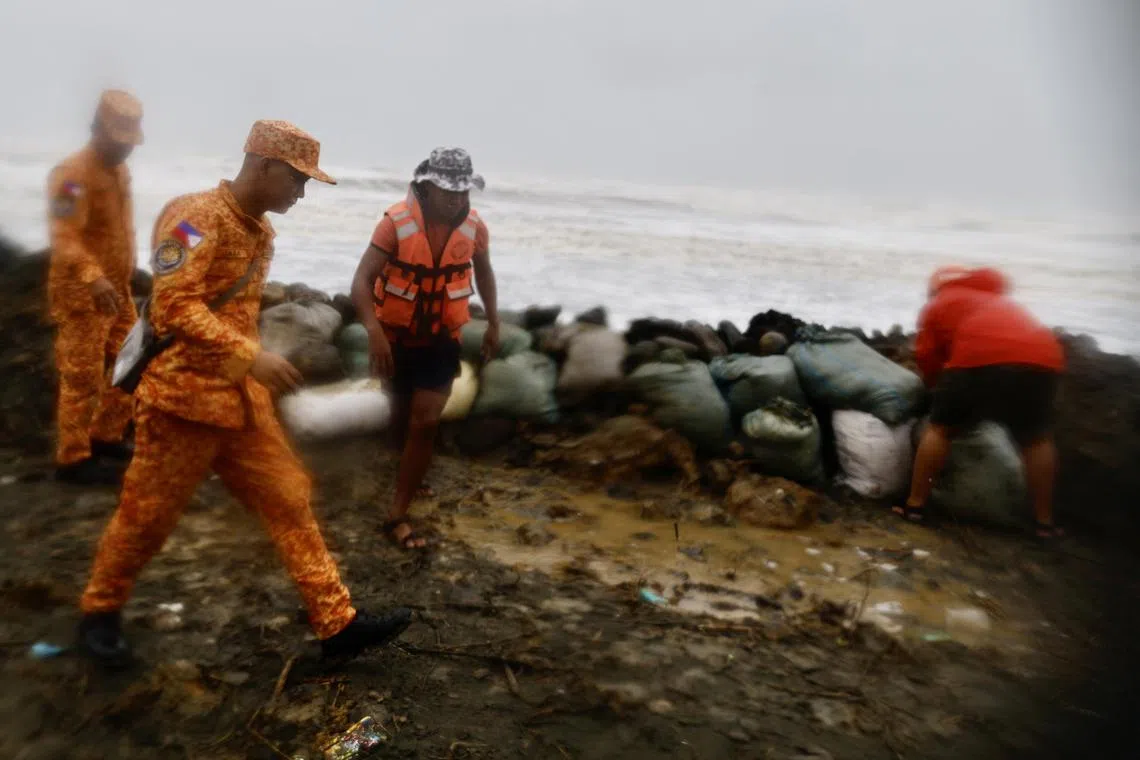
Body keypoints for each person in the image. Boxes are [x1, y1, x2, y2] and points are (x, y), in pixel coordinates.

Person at [78, 120, 411, 666]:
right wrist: (250, 356)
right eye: (297, 180)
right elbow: (171, 306)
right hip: (181, 403)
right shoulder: (192, 219)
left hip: (242, 406)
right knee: (147, 516)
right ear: (263, 166)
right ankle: (99, 613)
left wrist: (249, 367)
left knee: (289, 499)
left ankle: (337, 623)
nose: (301, 193)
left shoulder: (260, 232)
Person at [350, 148, 500, 550]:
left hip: (441, 341)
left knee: (426, 422)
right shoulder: (394, 224)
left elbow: (483, 273)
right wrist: (374, 333)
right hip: (395, 339)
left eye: (463, 192)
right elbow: (361, 282)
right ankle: (406, 467)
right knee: (400, 413)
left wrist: (494, 322)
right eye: (448, 191)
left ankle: (397, 513)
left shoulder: (474, 227)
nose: (456, 200)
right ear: (426, 188)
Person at [895, 266, 1066, 538]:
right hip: (1043, 360)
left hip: (977, 358)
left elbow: (927, 356)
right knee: (1036, 439)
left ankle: (914, 506)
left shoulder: (941, 301)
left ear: (936, 288)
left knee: (941, 430)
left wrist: (935, 390)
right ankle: (1044, 523)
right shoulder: (1000, 301)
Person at [47, 90, 143, 485]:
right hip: (82, 294)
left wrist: (126, 269)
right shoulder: (71, 176)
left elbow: (119, 228)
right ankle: (72, 457)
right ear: (97, 130)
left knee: (133, 359)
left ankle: (105, 434)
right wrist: (94, 276)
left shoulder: (119, 171)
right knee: (82, 375)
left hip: (116, 288)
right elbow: (64, 235)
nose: (124, 151)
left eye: (128, 143)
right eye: (117, 142)